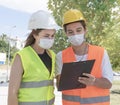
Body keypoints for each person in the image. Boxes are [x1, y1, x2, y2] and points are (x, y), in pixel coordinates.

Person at [56, 9, 113, 105]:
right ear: (66, 33)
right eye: (70, 32)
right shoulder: (60, 56)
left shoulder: (101, 52)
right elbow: (59, 86)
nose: (75, 35)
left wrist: (94, 82)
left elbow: (108, 84)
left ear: (85, 29)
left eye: (78, 30)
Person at [8, 10, 60, 105]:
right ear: (35, 34)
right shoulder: (22, 57)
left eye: (52, 36)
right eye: (46, 36)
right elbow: (12, 93)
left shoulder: (52, 55)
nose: (50, 39)